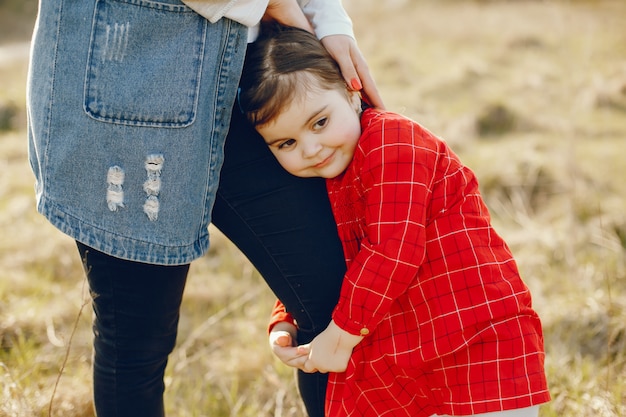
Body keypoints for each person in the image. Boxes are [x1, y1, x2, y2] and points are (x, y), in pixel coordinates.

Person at [26, 1, 382, 416]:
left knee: (336, 303)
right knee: (136, 343)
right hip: (128, 73)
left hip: (263, 76)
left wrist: (328, 22)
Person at [237, 24, 551, 417]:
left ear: (353, 93)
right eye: (287, 143)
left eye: (319, 122)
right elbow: (326, 258)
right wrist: (287, 319)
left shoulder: (392, 140)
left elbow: (394, 249)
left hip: (475, 338)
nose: (312, 149)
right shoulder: (329, 172)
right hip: (413, 350)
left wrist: (339, 337)